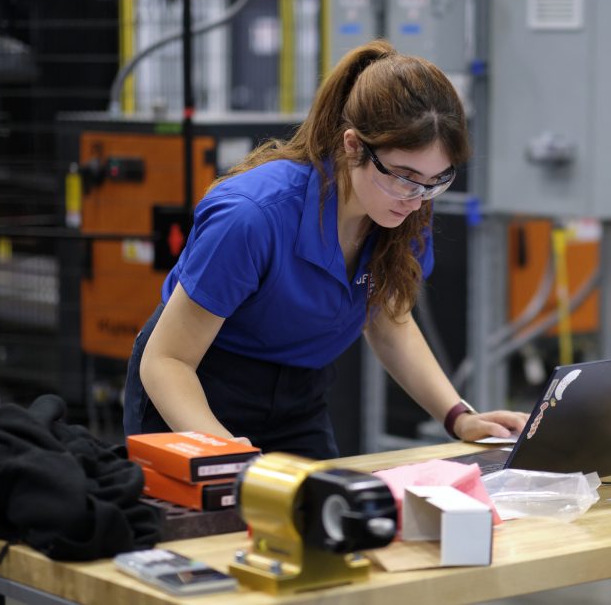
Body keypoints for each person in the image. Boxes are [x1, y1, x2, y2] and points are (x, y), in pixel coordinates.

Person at [123, 39, 527, 458]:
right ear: (353, 145)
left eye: (436, 180)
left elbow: (390, 322)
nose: (417, 197)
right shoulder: (253, 217)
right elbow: (167, 360)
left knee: (322, 517)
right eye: (405, 176)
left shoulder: (404, 213)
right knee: (215, 521)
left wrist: (458, 417)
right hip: (196, 387)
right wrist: (223, 450)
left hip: (298, 398)